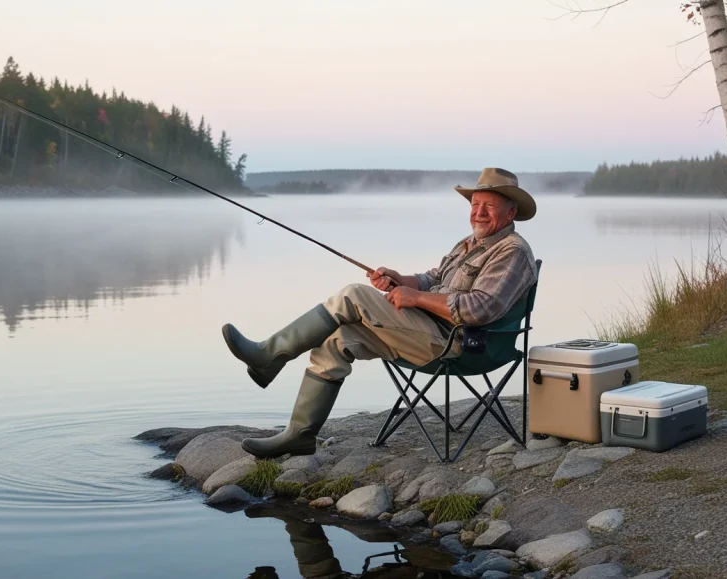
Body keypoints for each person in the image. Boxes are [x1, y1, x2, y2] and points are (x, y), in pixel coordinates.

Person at [222, 167, 539, 459]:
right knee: (337, 338)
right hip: (429, 332)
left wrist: (414, 298)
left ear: (511, 211)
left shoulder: (512, 252)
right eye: (475, 204)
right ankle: (300, 435)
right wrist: (401, 280)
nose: (478, 212)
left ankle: (269, 355)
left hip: (461, 345)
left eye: (489, 206)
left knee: (354, 295)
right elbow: (435, 278)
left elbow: (478, 310)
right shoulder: (469, 243)